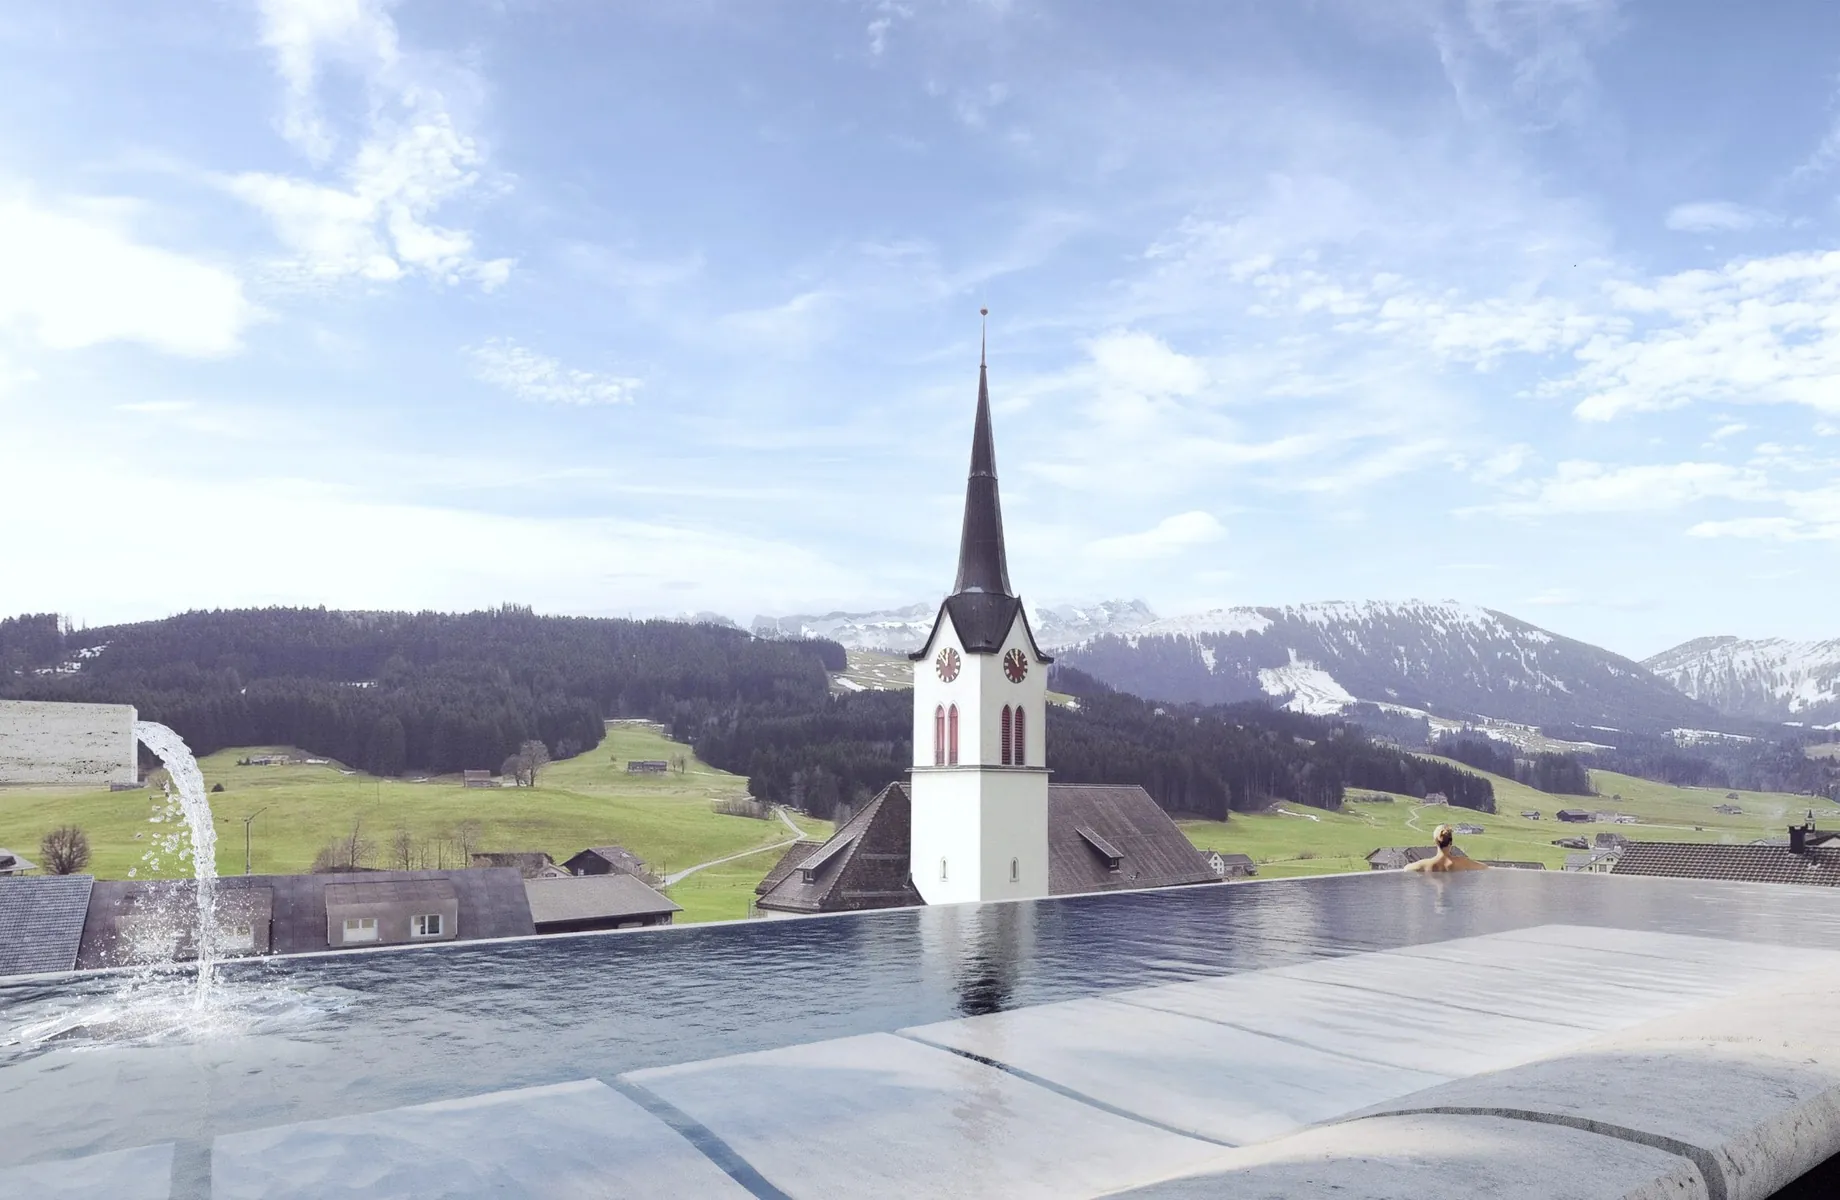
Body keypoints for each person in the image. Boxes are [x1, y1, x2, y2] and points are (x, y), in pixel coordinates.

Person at [1404, 824, 1489, 873]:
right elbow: (1485, 867)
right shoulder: (1463, 862)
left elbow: (1406, 869)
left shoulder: (1425, 865)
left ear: (1435, 842)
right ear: (1451, 842)